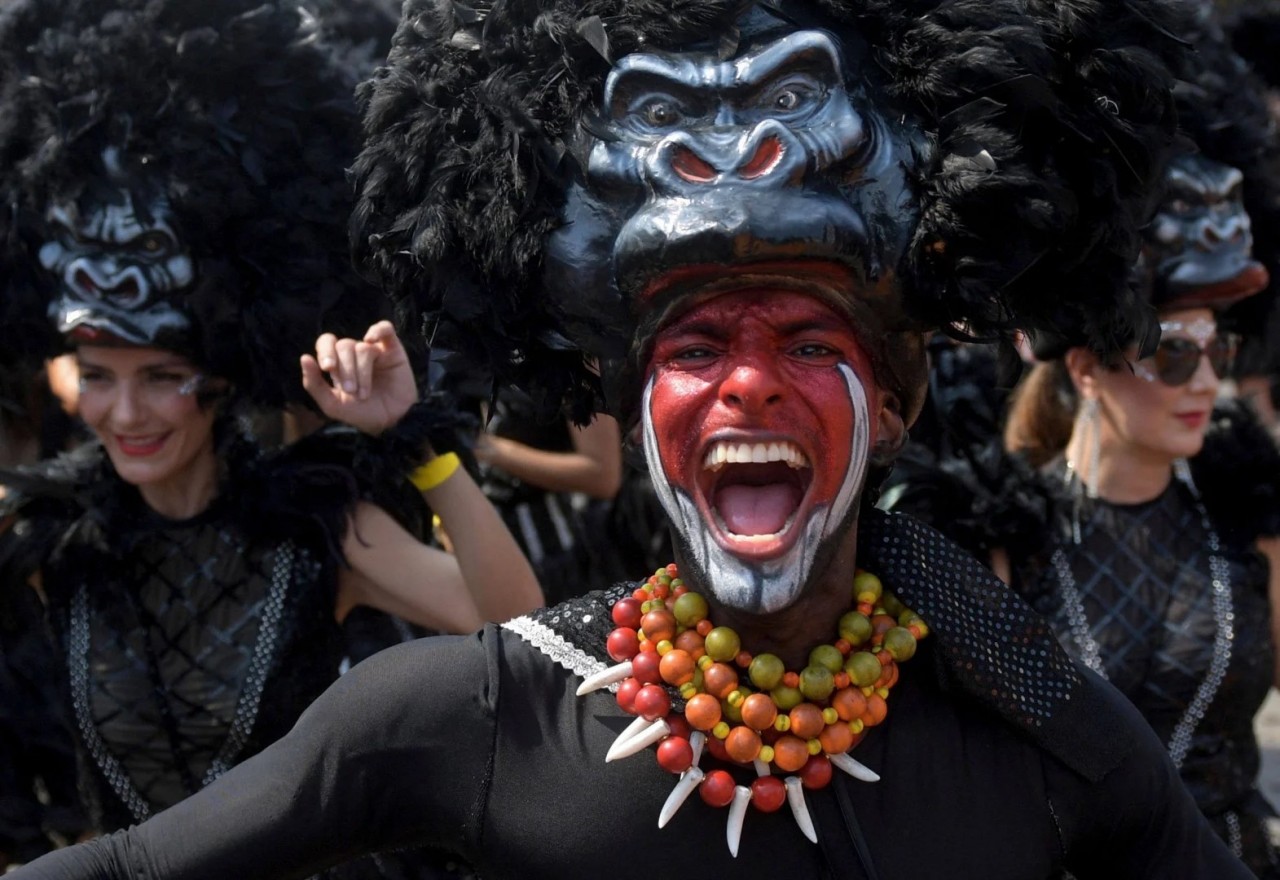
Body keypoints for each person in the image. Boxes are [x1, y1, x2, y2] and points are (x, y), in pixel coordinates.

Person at [8, 0, 1256, 876]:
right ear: (627, 401)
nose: (747, 388)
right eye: (695, 350)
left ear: (893, 403)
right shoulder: (493, 711)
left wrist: (1022, 665)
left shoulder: (1029, 724)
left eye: (808, 346)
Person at [0, 0, 540, 855]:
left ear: (216, 382)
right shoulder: (48, 538)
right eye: (98, 379)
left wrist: (419, 444)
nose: (125, 413)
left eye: (161, 380)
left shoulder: (315, 527)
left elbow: (512, 627)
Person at [894, 13, 1280, 874]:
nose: (1207, 384)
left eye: (1220, 352)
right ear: (1090, 366)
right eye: (1175, 354)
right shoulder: (997, 536)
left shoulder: (1247, 518)